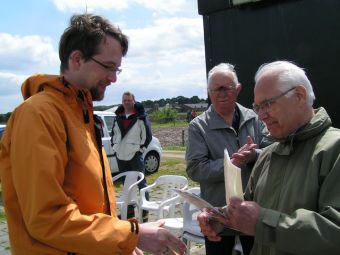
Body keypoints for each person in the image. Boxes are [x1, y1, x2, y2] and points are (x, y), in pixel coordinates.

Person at [0, 13, 186, 255]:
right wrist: (130, 236)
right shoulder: (38, 115)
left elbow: (88, 206)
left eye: (117, 69)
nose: (114, 78)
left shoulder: (84, 117)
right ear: (77, 59)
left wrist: (119, 242)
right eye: (108, 67)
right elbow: (46, 217)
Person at [199, 61, 340, 255]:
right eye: (257, 107)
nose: (262, 116)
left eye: (267, 104)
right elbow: (247, 206)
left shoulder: (335, 150)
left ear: (299, 96)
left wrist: (262, 223)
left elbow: (335, 231)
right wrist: (219, 219)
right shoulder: (267, 155)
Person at [186, 63, 268, 255]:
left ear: (237, 89)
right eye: (216, 89)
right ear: (209, 92)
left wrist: (255, 155)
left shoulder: (254, 118)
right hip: (218, 217)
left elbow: (272, 151)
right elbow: (195, 169)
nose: (222, 93)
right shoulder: (198, 126)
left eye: (227, 88)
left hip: (252, 212)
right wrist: (231, 164)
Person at [111, 91, 151, 221]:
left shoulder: (140, 117)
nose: (126, 102)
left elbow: (147, 136)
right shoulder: (118, 116)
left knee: (141, 183)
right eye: (124, 100)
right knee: (126, 184)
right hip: (120, 154)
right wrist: (114, 147)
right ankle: (129, 212)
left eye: (129, 100)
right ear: (122, 101)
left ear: (134, 101)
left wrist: (141, 150)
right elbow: (114, 134)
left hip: (134, 154)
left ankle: (145, 209)